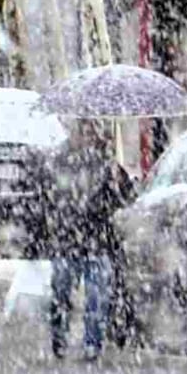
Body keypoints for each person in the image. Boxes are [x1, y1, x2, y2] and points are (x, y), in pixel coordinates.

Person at [42, 117, 132, 361]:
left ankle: (93, 343)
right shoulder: (59, 160)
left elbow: (123, 199)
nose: (87, 139)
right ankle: (59, 337)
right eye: (83, 133)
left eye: (91, 134)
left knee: (98, 296)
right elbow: (50, 195)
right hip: (67, 240)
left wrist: (116, 179)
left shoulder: (105, 162)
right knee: (62, 292)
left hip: (97, 240)